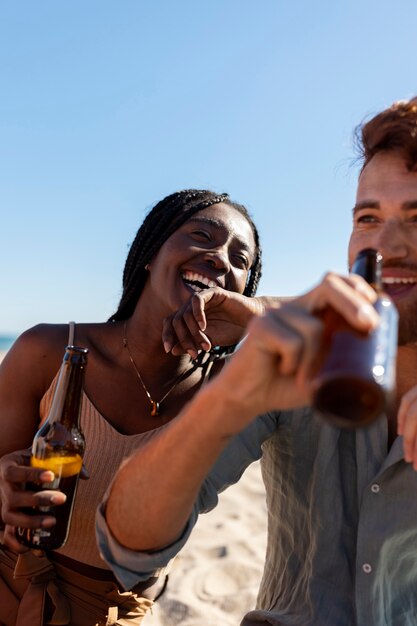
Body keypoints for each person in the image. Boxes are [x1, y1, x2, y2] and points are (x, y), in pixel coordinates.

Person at [95, 97, 417, 626]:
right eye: (367, 217)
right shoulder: (298, 361)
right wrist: (224, 399)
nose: (386, 244)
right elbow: (130, 549)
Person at [0, 189, 268, 626]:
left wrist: (257, 314)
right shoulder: (48, 351)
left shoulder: (228, 389)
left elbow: (336, 336)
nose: (220, 258)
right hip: (9, 581)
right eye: (202, 235)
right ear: (150, 252)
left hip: (113, 612)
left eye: (241, 260)